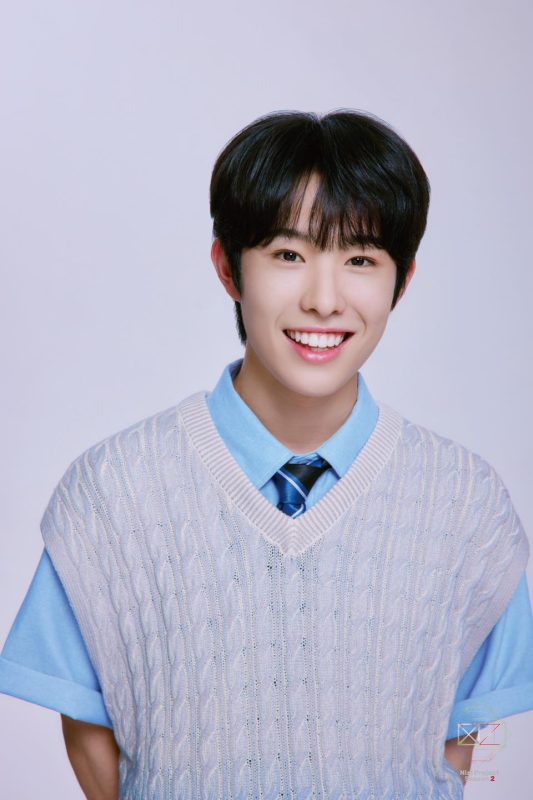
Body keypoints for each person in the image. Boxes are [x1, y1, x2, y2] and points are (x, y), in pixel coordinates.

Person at [1, 109, 532, 800]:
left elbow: (472, 721)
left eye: (360, 260)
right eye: (288, 254)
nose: (323, 300)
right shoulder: (113, 490)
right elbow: (85, 718)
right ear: (229, 268)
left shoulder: (464, 501)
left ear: (401, 281)